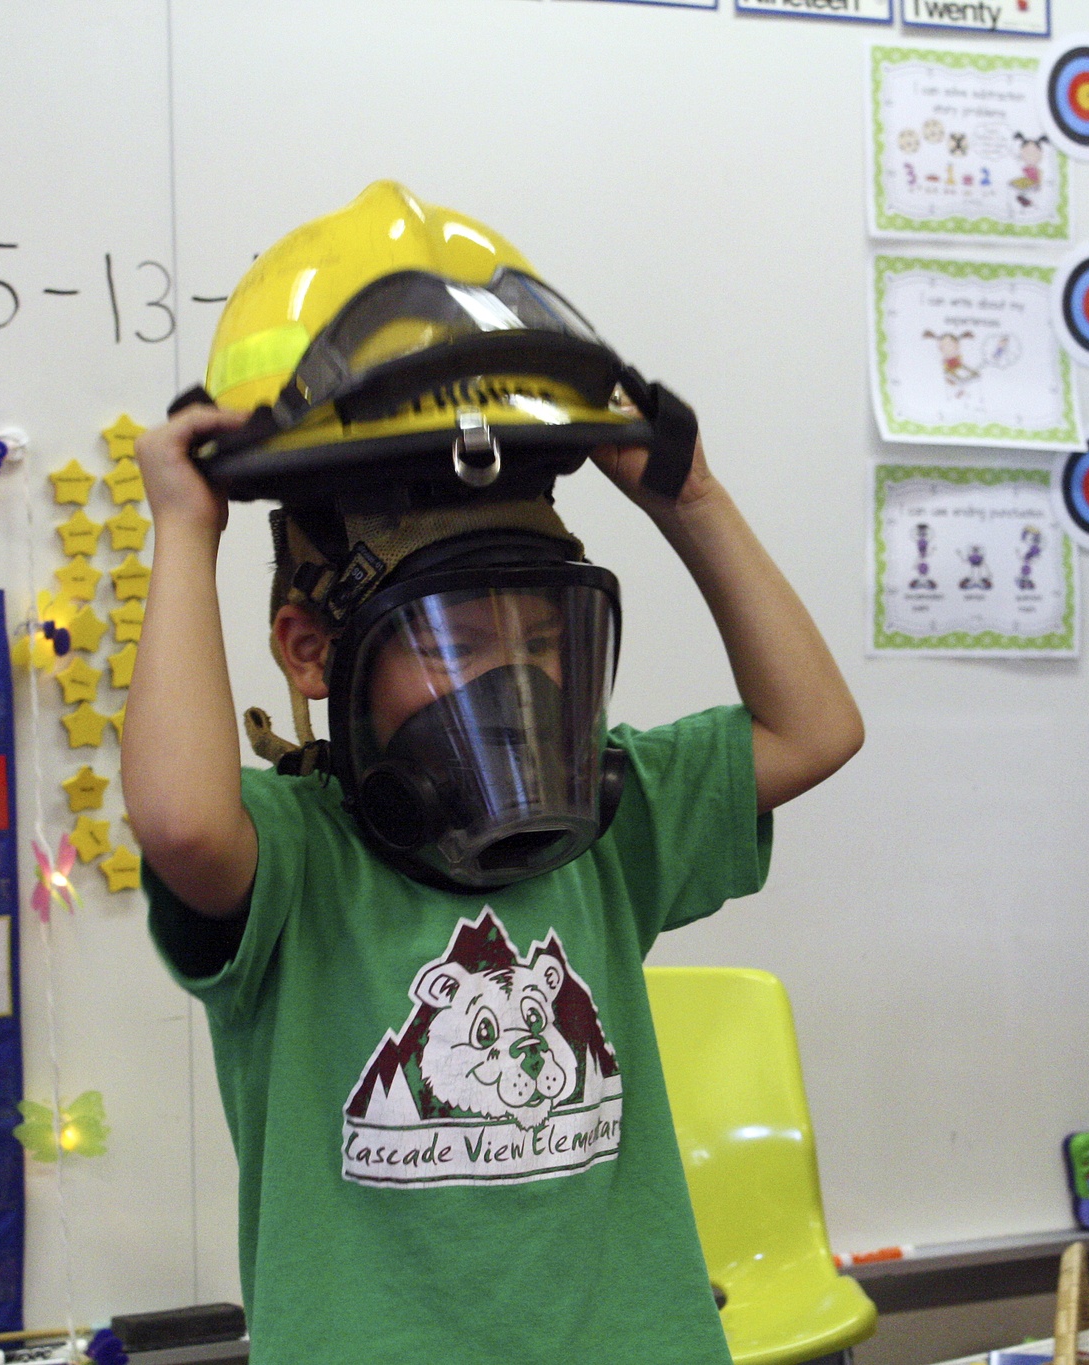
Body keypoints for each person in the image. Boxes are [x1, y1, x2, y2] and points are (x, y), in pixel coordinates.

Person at [121, 183, 863, 1365]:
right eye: (455, 645)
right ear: (313, 653)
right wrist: (185, 532)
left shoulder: (608, 821)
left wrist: (692, 501)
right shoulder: (294, 858)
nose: (512, 684)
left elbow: (813, 731)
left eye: (540, 640)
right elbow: (178, 824)